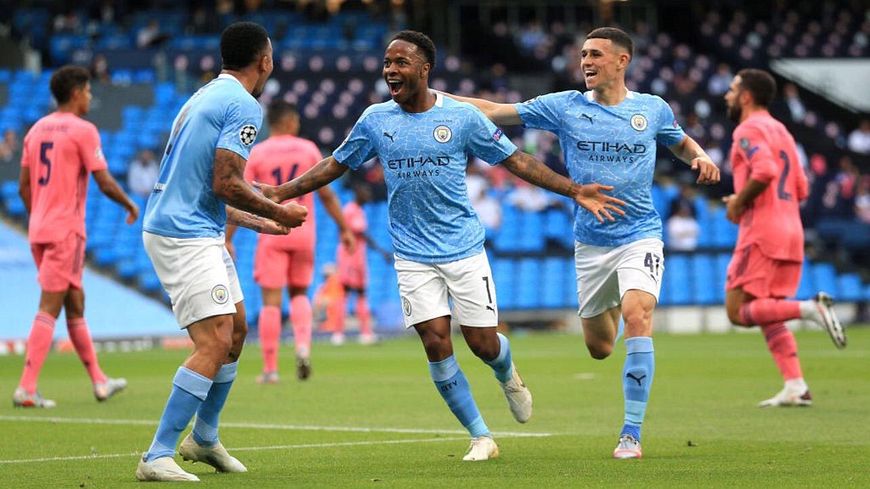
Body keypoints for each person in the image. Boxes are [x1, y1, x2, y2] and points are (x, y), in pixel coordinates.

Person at [257, 30, 626, 462]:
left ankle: (507, 373)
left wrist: (573, 189)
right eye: (387, 63)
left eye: (401, 63)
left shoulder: (462, 117)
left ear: (425, 68)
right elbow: (335, 164)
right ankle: (480, 436)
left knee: (483, 344)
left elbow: (517, 160)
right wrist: (283, 192)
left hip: (464, 249)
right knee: (435, 343)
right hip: (412, 254)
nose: (391, 70)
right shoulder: (375, 120)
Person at [445, 26, 721, 459]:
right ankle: (615, 303)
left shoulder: (652, 109)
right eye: (583, 55)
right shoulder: (565, 106)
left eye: (595, 54)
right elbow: (496, 111)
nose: (586, 62)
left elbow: (681, 143)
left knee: (637, 314)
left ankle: (631, 434)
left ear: (622, 61)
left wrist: (700, 156)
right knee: (600, 348)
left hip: (640, 234)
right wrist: (434, 98)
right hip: (591, 244)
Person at [135, 22, 307, 482]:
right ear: (265, 61)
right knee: (213, 341)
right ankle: (157, 454)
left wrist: (262, 222)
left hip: (194, 227)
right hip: (184, 234)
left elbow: (206, 188)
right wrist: (278, 210)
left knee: (236, 331)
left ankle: (204, 438)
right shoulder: (243, 105)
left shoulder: (202, 97)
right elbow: (225, 182)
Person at [13, 65, 139, 409]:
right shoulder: (83, 130)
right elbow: (104, 181)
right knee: (50, 306)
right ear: (75, 93)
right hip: (65, 231)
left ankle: (99, 381)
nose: (90, 97)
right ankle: (26, 388)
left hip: (40, 229)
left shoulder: (36, 130)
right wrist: (129, 204)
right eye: (87, 91)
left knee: (75, 301)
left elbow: (23, 186)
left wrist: (39, 216)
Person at [722, 69, 846, 408]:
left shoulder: (748, 129)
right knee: (768, 310)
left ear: (746, 96)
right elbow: (802, 188)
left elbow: (765, 170)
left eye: (732, 89)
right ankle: (795, 385)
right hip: (791, 228)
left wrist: (739, 201)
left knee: (737, 311)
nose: (727, 95)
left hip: (761, 232)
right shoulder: (783, 132)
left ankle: (810, 308)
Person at [226, 100, 354, 384]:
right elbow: (327, 195)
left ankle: (270, 369)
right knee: (299, 294)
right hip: (304, 231)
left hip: (272, 232)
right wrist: (344, 229)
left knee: (271, 301)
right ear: (287, 121)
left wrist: (229, 237)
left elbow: (241, 196)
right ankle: (303, 348)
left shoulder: (258, 153)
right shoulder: (308, 149)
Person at [330, 182, 392, 346]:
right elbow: (360, 233)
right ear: (359, 194)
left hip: (358, 257)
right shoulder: (350, 210)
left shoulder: (359, 210)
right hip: (349, 256)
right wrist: (382, 251)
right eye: (366, 193)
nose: (368, 197)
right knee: (345, 292)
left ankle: (365, 332)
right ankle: (338, 333)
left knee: (361, 294)